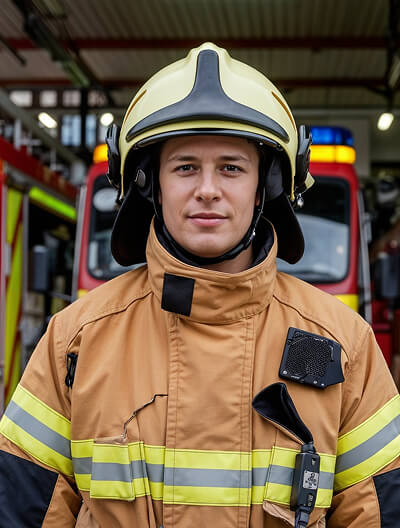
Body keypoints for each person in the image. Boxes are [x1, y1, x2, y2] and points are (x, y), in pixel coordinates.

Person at [0, 42, 399, 528]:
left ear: (265, 186)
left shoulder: (344, 344)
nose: (207, 189)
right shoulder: (74, 340)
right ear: (151, 184)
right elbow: (20, 509)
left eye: (231, 167)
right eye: (185, 166)